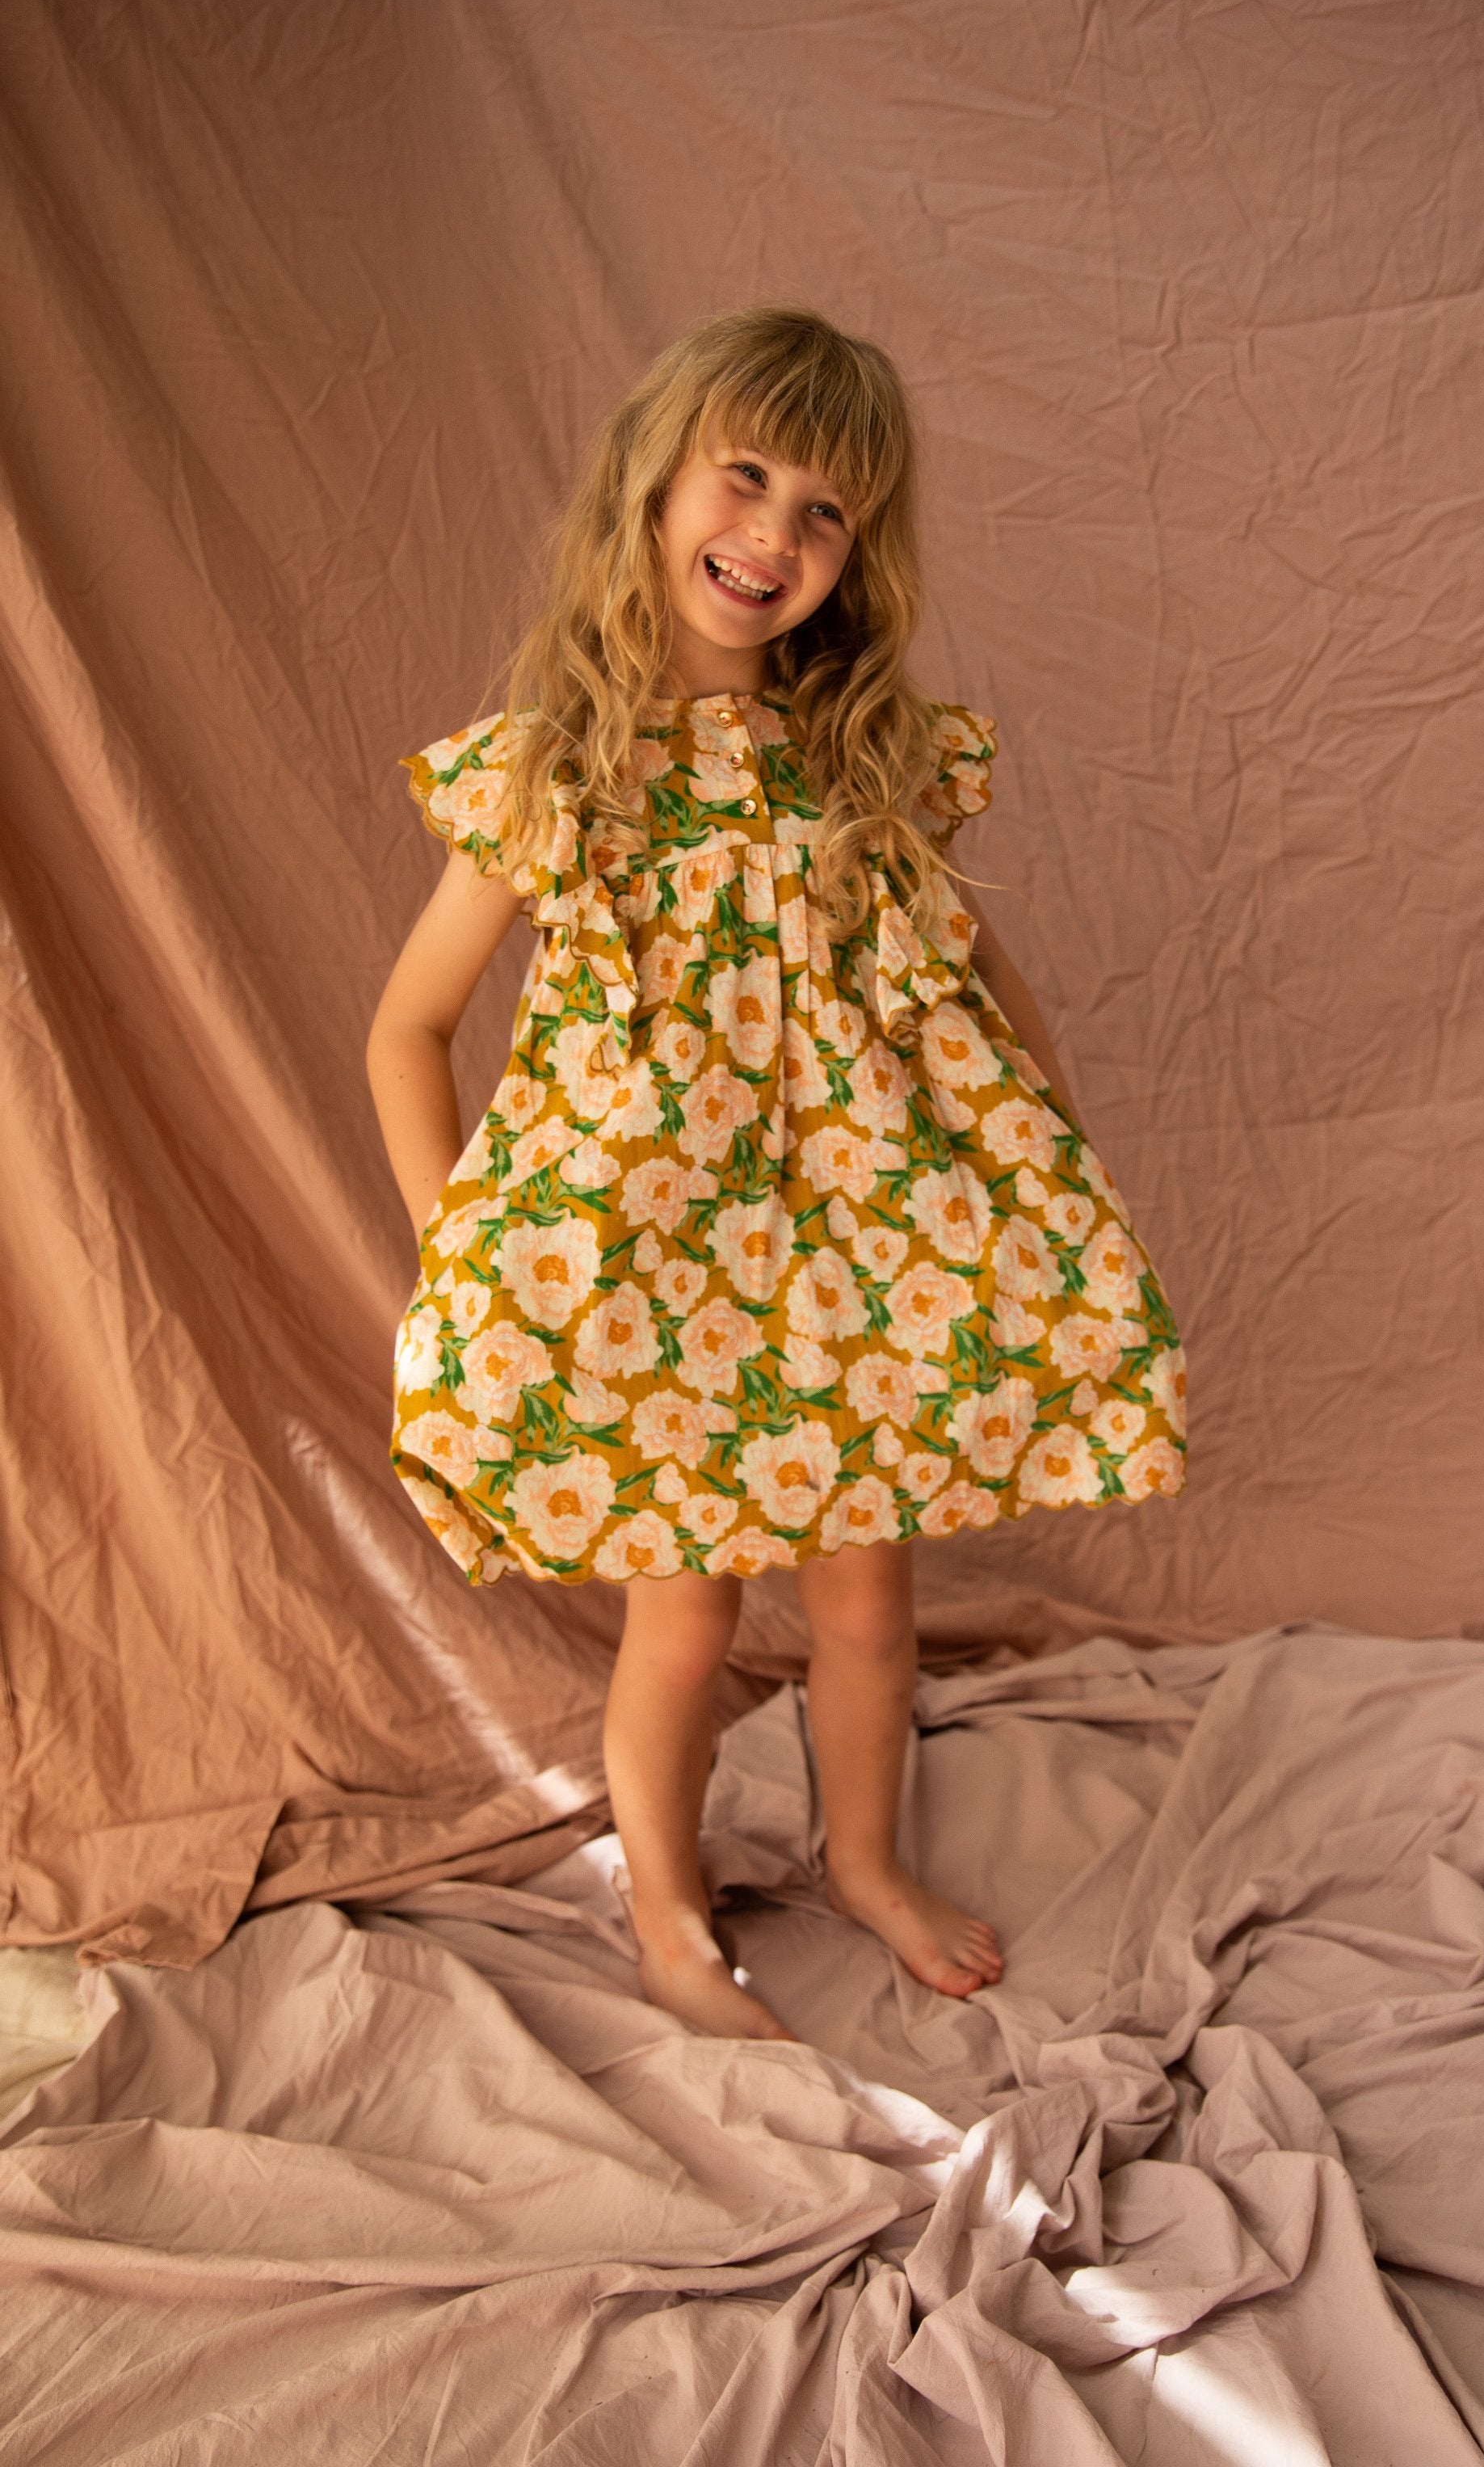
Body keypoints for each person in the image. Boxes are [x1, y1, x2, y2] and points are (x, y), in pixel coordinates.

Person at [367, 305, 1186, 2041]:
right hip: (661, 1272)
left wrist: (1050, 1162)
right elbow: (406, 1030)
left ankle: (866, 1863)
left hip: (859, 1257)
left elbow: (973, 979)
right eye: (747, 479)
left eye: (827, 511)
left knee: (870, 1609)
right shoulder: (557, 766)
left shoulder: (862, 760)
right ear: (655, 485)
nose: (777, 536)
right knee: (682, 1619)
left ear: (857, 554)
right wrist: (468, 1257)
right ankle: (667, 1914)